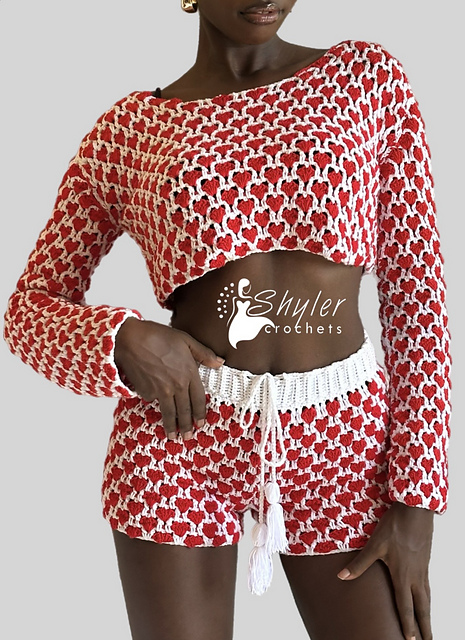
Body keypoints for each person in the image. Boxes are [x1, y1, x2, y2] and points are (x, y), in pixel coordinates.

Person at [3, 1, 451, 639]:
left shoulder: (367, 79)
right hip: (179, 436)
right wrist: (123, 338)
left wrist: (417, 502)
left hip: (343, 437)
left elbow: (417, 293)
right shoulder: (127, 132)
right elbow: (29, 308)